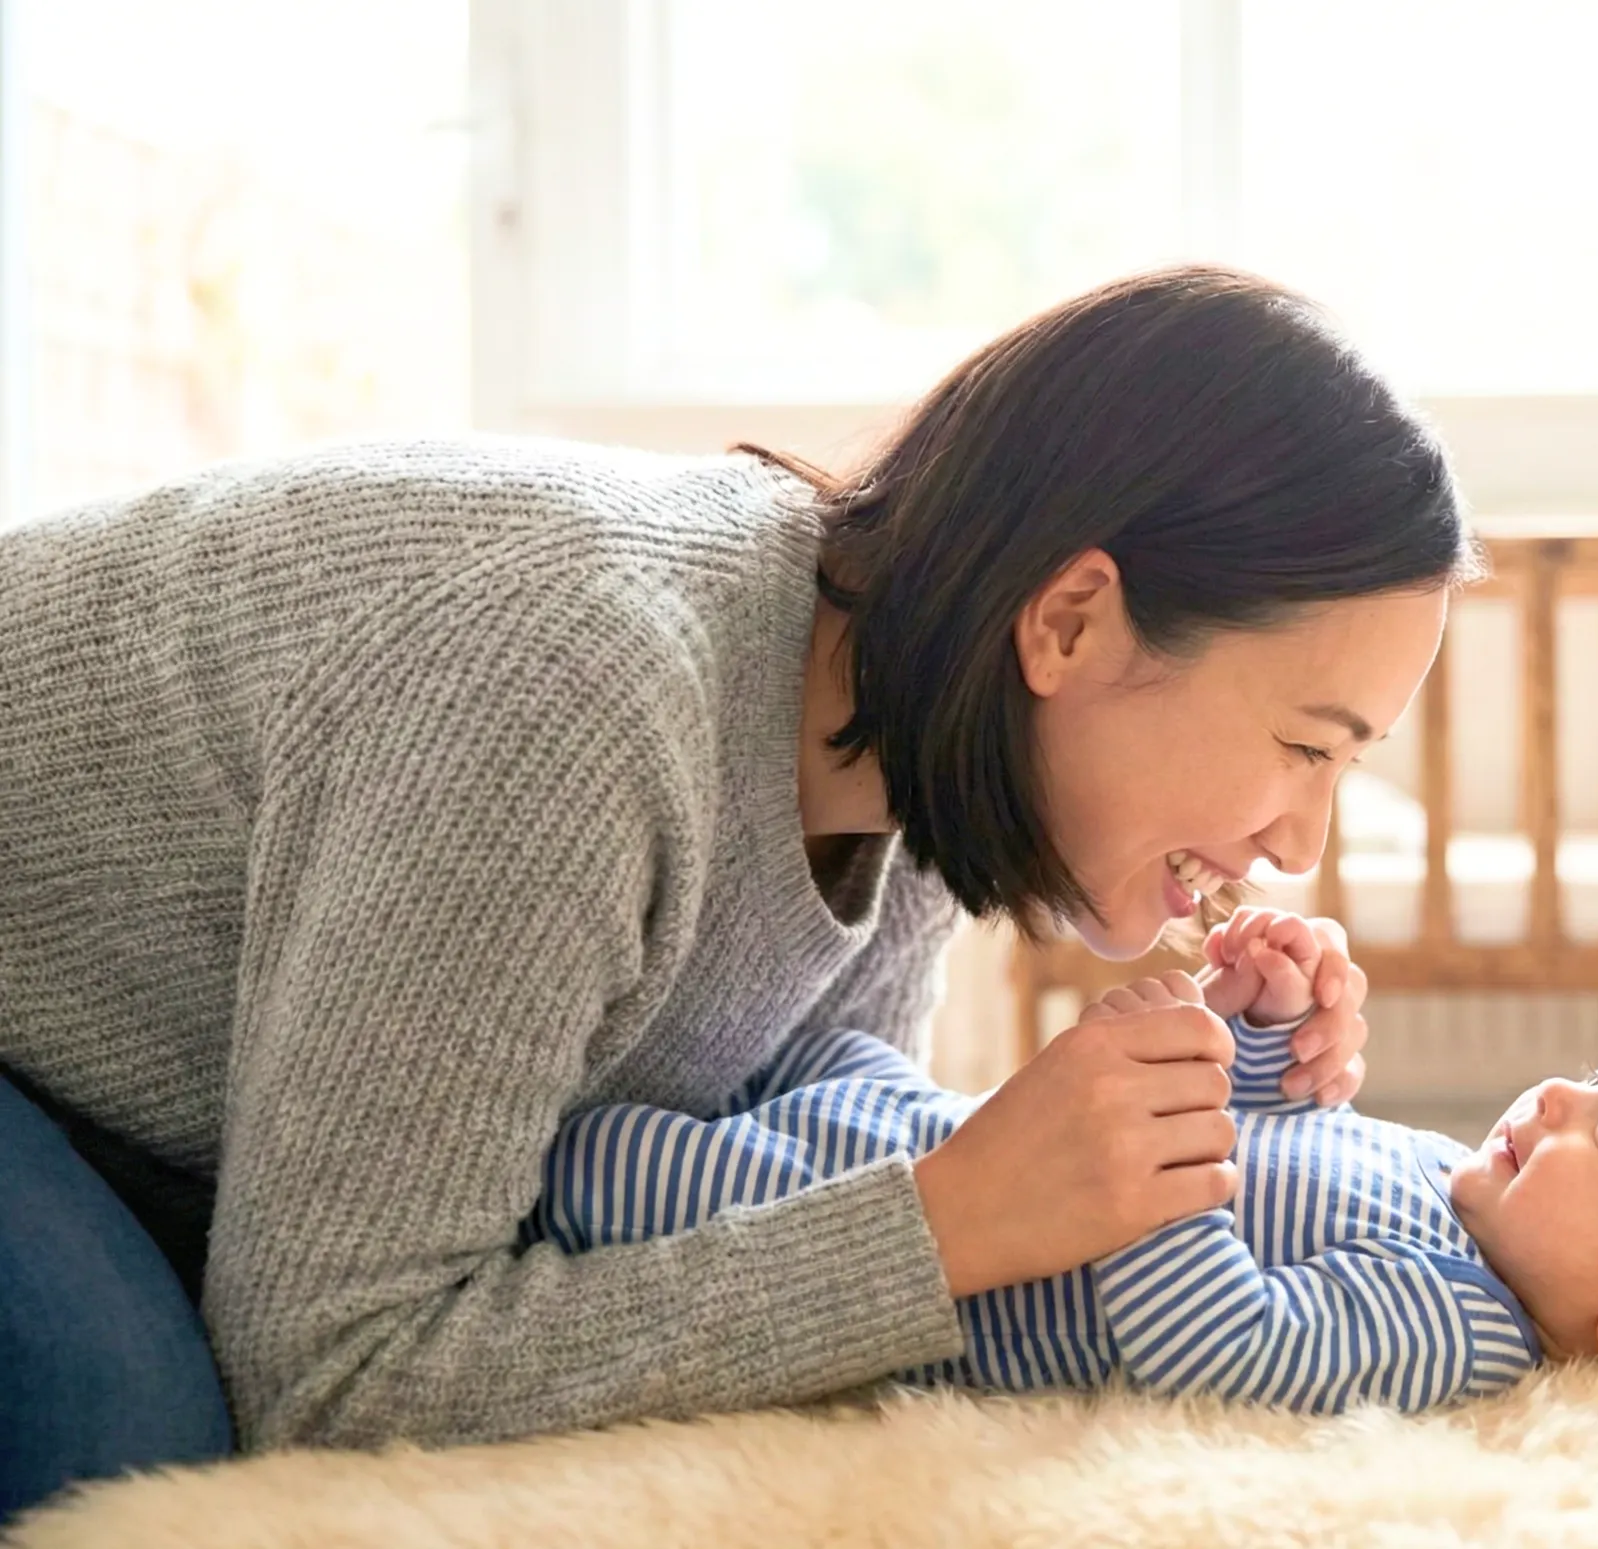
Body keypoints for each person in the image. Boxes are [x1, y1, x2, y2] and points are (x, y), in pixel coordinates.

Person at [0, 265, 1476, 1515]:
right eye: (1303, 747)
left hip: (170, 1090)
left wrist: (1211, 1105)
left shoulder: (922, 764)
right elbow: (336, 1366)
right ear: (1072, 621)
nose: (1300, 845)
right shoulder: (572, 691)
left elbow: (749, 1197)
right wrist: (944, 1224)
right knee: (115, 1423)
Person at [534, 907, 1598, 1409]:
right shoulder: (1458, 1184)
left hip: (889, 1246)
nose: (1562, 1091)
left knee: (594, 1164)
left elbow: (1220, 1344)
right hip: (914, 1122)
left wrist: (1162, 1138)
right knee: (777, 1054)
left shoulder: (1458, 1331)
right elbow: (1280, 1143)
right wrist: (1256, 1034)